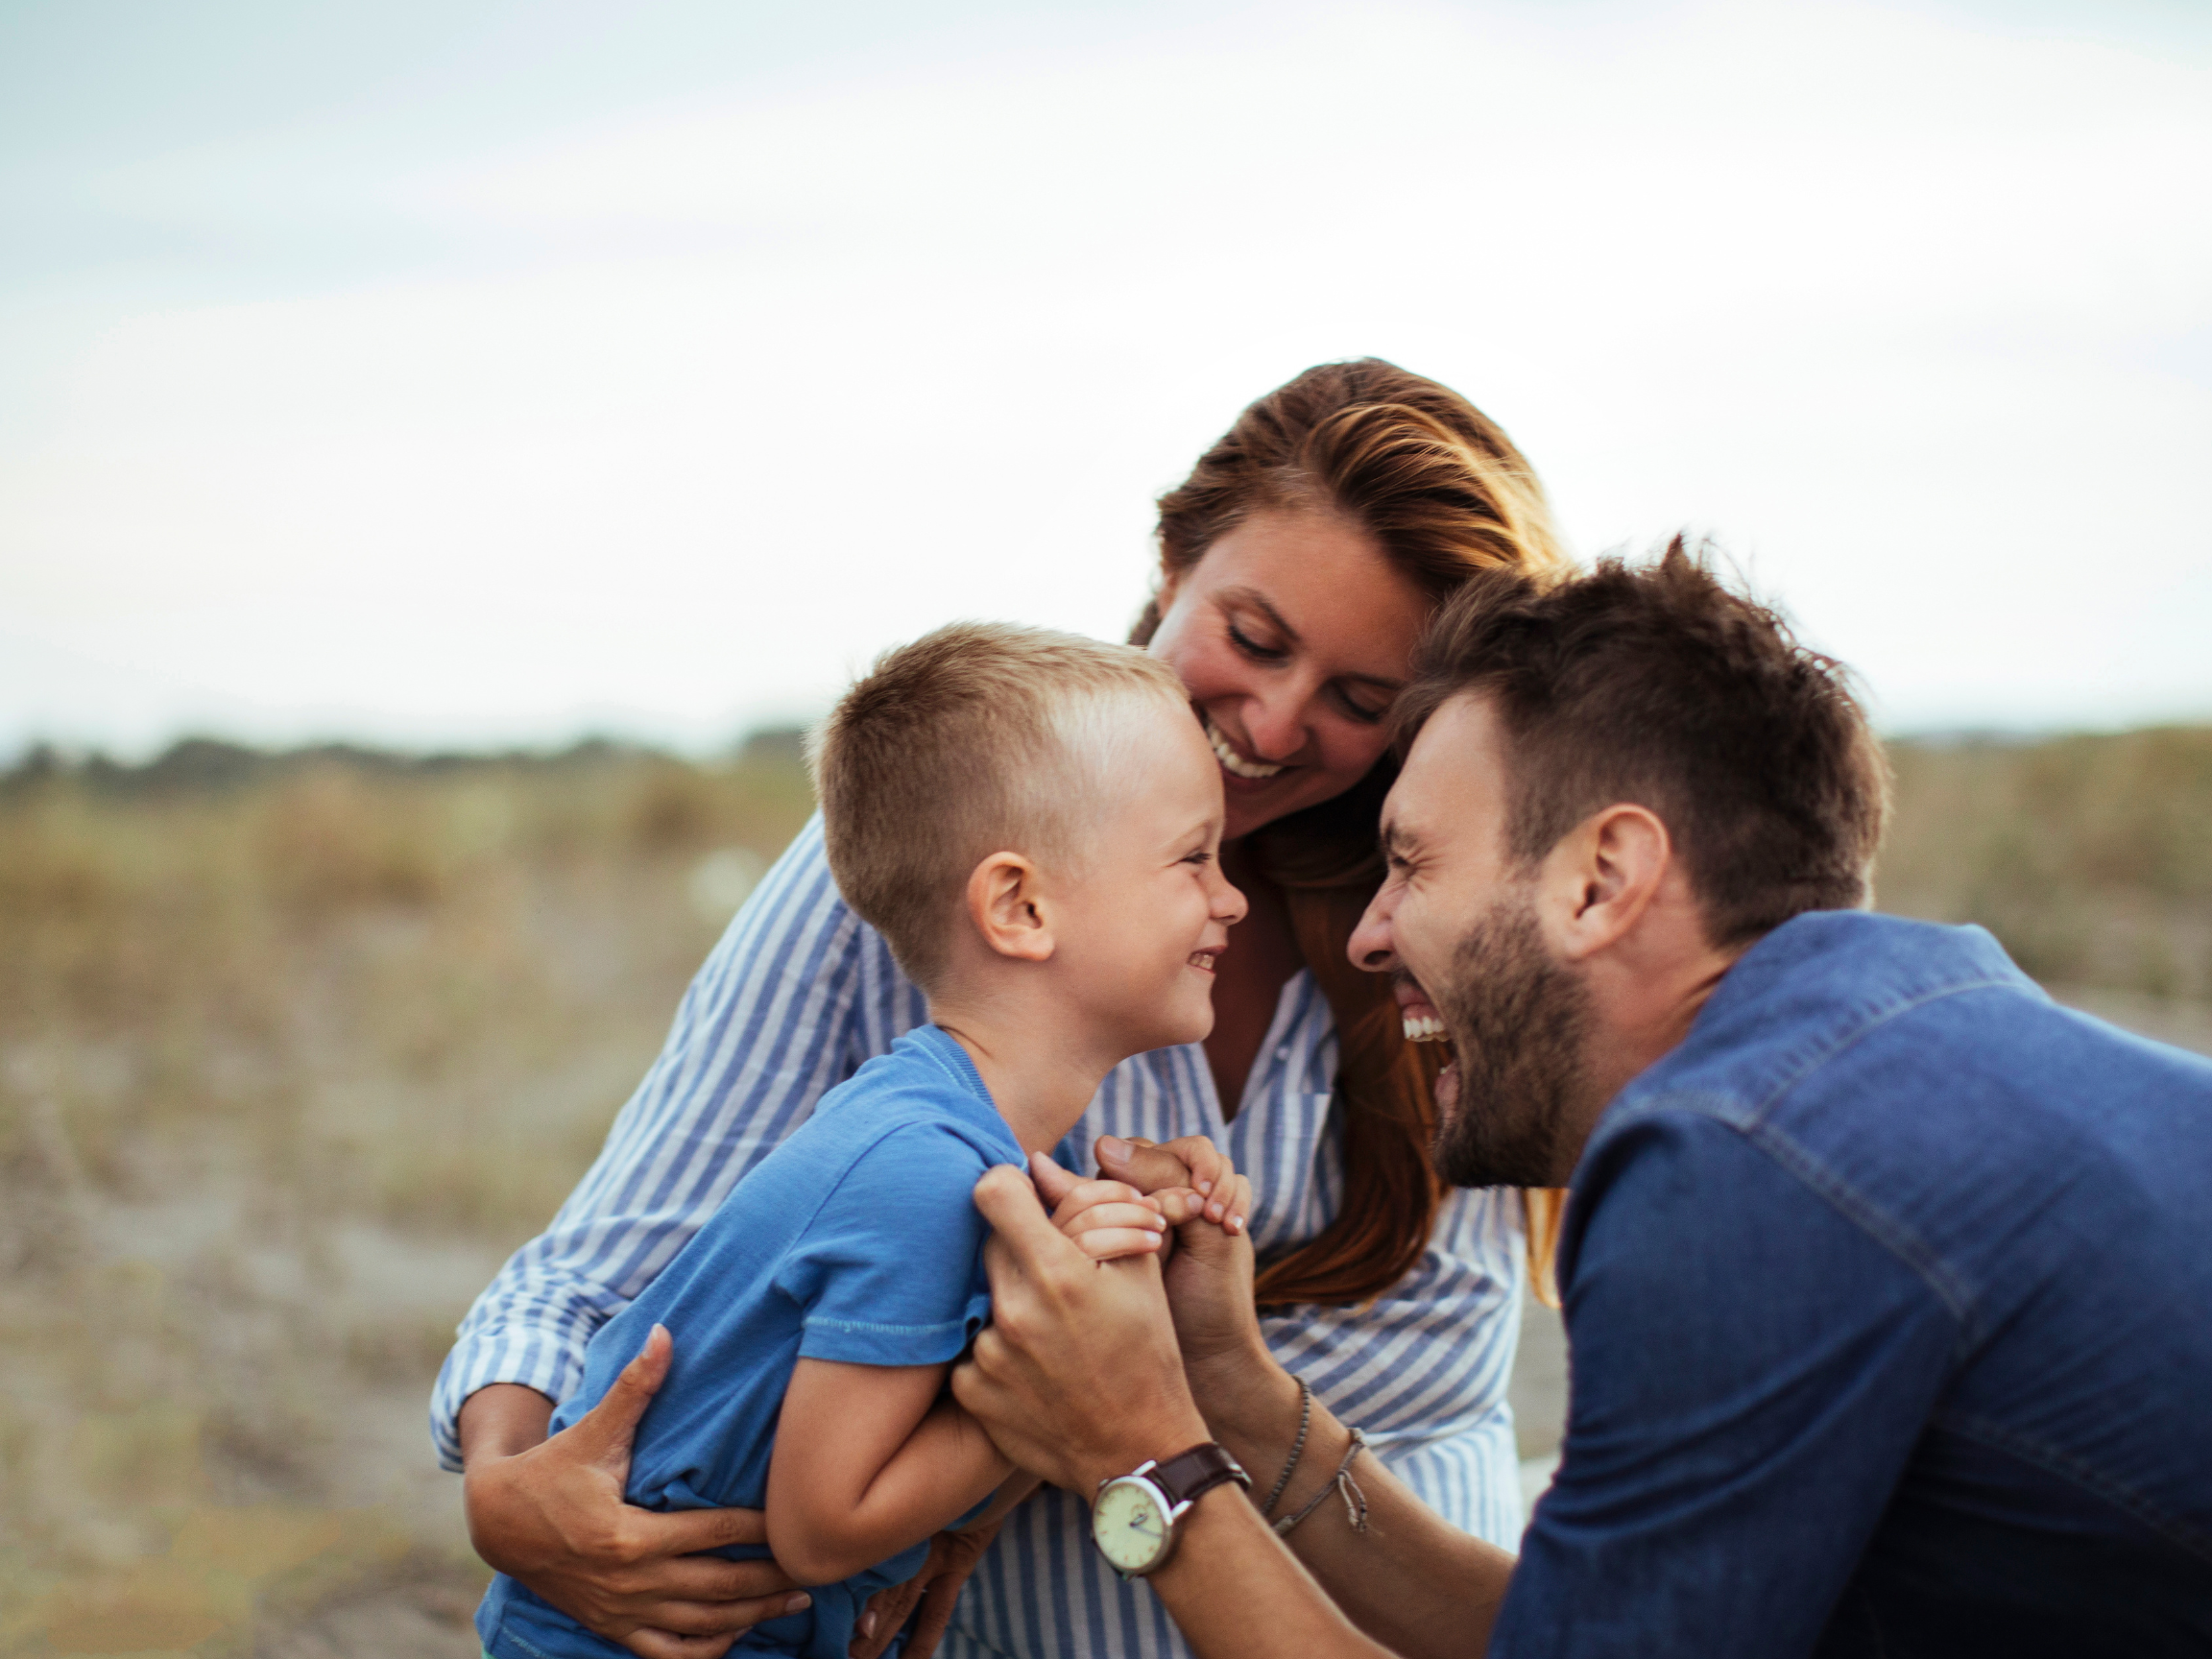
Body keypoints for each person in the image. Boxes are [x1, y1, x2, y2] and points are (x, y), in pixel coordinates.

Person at [433, 359, 1574, 1659]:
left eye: (1361, 702)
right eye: (1252, 640)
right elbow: (620, 1259)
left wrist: (1109, 1352)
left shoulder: (1452, 927)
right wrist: (511, 1488)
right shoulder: (947, 861)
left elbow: (1414, 1371)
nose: (1268, 721)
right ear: (1170, 564)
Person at [954, 543, 2212, 1657]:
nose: (1374, 936)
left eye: (1410, 863)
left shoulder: (1743, 1166)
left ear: (1602, 877)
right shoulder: (1899, 1065)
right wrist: (1236, 1400)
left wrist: (1141, 1458)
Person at [474, 623, 1257, 1659]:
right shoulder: (919, 1174)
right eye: (1193, 859)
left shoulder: (975, 1138)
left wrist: (1129, 1268)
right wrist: (1040, 1399)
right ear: (1020, 906)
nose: (1230, 897)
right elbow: (823, 1527)